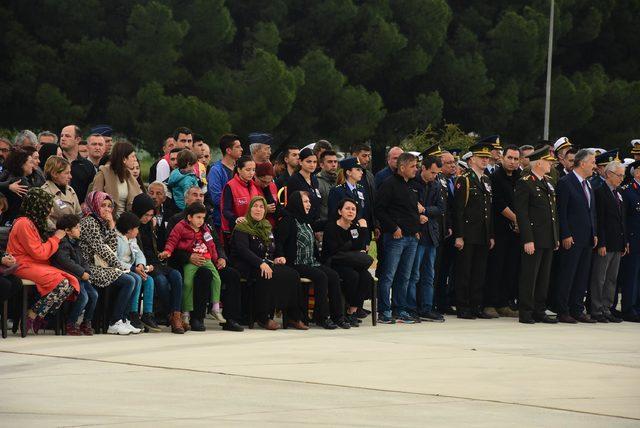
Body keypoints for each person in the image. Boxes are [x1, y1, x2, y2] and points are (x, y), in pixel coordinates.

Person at [166, 186, 244, 332]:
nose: (199, 198)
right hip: (185, 263)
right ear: (186, 199)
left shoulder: (206, 221)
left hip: (208, 259)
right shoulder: (176, 220)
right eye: (194, 195)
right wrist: (189, 257)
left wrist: (221, 257)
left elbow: (215, 242)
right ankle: (197, 317)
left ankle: (230, 318)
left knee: (232, 274)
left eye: (201, 195)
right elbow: (170, 246)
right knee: (204, 274)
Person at [6, 189, 80, 334]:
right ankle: (33, 315)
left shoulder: (34, 222)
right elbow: (39, 252)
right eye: (47, 206)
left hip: (34, 264)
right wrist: (56, 238)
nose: (50, 210)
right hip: (21, 264)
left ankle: (36, 314)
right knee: (62, 283)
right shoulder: (23, 223)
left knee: (69, 282)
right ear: (38, 206)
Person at [230, 196, 307, 330]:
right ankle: (263, 317)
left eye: (262, 207)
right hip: (246, 263)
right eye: (255, 206)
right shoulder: (242, 226)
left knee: (292, 275)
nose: (258, 209)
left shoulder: (266, 226)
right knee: (267, 275)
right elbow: (243, 251)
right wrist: (261, 263)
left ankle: (292, 317)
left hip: (265, 262)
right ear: (250, 208)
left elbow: (271, 248)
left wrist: (277, 258)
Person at [275, 191, 344, 329]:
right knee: (321, 277)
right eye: (305, 201)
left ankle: (338, 316)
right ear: (297, 203)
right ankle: (322, 317)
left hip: (311, 262)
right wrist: (280, 255)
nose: (309, 204)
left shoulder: (306, 221)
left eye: (309, 202)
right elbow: (279, 241)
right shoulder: (288, 220)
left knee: (333, 276)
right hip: (296, 263)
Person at [79, 191, 140, 335]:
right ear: (94, 205)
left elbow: (111, 248)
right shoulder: (89, 221)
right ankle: (114, 321)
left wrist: (112, 224)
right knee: (128, 280)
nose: (107, 209)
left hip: (103, 266)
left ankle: (124, 319)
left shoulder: (103, 222)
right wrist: (119, 266)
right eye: (103, 205)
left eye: (109, 206)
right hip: (89, 266)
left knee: (134, 279)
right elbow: (100, 249)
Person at [514, 146, 560, 324]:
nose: (551, 164)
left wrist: (555, 236)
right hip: (534, 237)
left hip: (548, 237)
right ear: (539, 162)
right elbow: (522, 214)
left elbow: (552, 213)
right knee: (529, 276)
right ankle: (526, 311)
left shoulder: (548, 182)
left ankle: (539, 309)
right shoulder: (525, 182)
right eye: (548, 161)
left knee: (543, 277)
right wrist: (528, 239)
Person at [160, 202, 225, 326]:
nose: (201, 221)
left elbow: (211, 245)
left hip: (206, 258)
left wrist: (216, 259)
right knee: (187, 283)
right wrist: (168, 251)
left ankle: (215, 307)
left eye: (203, 218)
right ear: (190, 217)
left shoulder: (205, 229)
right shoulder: (180, 226)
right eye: (198, 217)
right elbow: (172, 240)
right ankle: (186, 312)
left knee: (217, 279)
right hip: (191, 261)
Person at [375, 152, 421, 323]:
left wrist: (416, 229)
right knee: (389, 275)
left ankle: (399, 309)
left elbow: (411, 210)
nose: (416, 169)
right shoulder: (389, 185)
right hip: (396, 237)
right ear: (402, 168)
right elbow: (379, 209)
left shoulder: (412, 185)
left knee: (405, 276)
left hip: (411, 237)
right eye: (412, 166)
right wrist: (393, 227)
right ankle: (384, 310)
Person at [554, 149, 598, 323]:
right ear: (582, 163)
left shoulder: (588, 184)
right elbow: (561, 211)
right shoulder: (566, 182)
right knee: (567, 274)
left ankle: (577, 309)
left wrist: (594, 232)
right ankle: (563, 310)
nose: (594, 166)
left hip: (586, 237)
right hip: (571, 237)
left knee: (582, 275)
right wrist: (565, 234)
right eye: (592, 162)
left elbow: (591, 211)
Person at [131, 194, 185, 334]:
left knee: (176, 276)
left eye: (150, 215)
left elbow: (155, 245)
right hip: (142, 263)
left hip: (155, 261)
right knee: (160, 281)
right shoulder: (131, 224)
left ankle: (176, 314)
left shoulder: (150, 224)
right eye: (146, 215)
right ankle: (172, 316)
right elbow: (136, 251)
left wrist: (162, 253)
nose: (148, 218)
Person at [453, 142, 495, 319]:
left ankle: (476, 305)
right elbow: (459, 210)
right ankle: (463, 306)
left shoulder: (486, 179)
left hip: (482, 234)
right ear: (472, 160)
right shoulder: (465, 179)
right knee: (465, 271)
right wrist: (459, 235)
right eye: (481, 157)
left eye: (487, 158)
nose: (485, 160)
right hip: (468, 233)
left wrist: (491, 234)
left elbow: (488, 210)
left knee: (479, 272)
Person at [322, 198, 374, 327]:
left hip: (350, 261)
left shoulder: (354, 228)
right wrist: (351, 247)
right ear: (340, 211)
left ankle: (352, 311)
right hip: (334, 262)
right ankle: (343, 310)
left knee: (366, 277)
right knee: (352, 276)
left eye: (353, 209)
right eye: (347, 208)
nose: (351, 212)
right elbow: (334, 249)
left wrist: (363, 229)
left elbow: (359, 245)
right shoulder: (331, 226)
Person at [484, 145, 521, 318]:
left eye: (516, 159)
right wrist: (516, 219)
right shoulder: (495, 177)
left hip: (516, 231)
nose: (512, 162)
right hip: (498, 229)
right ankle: (489, 303)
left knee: (510, 267)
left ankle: (503, 303)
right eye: (510, 158)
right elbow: (498, 203)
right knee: (495, 267)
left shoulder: (520, 177)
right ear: (502, 158)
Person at [407, 154, 445, 322]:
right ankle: (411, 307)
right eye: (432, 172)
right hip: (417, 234)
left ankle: (427, 307)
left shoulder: (436, 185)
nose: (434, 176)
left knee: (429, 275)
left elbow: (440, 209)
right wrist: (418, 213)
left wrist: (424, 211)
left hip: (431, 235)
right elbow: (408, 207)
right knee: (414, 274)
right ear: (423, 168)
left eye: (437, 173)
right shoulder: (412, 184)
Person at [589, 161, 626, 323]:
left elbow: (621, 220)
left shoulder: (618, 193)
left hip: (617, 242)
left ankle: (606, 308)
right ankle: (596, 309)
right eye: (619, 175)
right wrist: (601, 243)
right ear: (609, 174)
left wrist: (625, 241)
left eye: (623, 176)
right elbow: (600, 219)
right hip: (606, 242)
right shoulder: (600, 192)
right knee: (600, 277)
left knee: (612, 278)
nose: (621, 179)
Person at [52, 214, 98, 335]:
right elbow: (66, 262)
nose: (80, 230)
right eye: (77, 227)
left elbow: (83, 260)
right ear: (67, 231)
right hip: (71, 276)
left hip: (80, 276)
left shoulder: (76, 242)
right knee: (84, 297)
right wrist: (82, 272)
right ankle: (71, 323)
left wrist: (86, 270)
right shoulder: (62, 244)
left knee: (94, 295)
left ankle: (86, 322)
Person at [116, 212, 159, 332]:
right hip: (121, 269)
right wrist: (134, 268)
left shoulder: (132, 239)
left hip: (132, 268)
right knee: (137, 278)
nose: (138, 232)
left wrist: (141, 264)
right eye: (136, 229)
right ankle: (133, 312)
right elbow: (115, 260)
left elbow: (139, 253)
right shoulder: (116, 239)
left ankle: (147, 313)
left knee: (148, 279)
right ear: (129, 230)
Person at [90, 141, 142, 218]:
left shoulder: (129, 177)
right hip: (107, 220)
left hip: (127, 222)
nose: (135, 159)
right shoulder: (103, 174)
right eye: (133, 156)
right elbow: (95, 202)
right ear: (124, 159)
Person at [328, 157, 373, 235]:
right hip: (343, 233)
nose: (361, 172)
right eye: (358, 170)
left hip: (360, 232)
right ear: (349, 172)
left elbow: (365, 213)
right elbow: (333, 215)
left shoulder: (361, 189)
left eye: (361, 170)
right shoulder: (337, 191)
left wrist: (366, 237)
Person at [619, 161, 640, 322]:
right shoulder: (627, 191)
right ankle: (628, 308)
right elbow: (624, 219)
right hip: (633, 239)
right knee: (631, 275)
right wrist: (625, 239)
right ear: (637, 172)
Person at [207, 134, 243, 230]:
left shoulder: (241, 168)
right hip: (223, 222)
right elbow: (216, 198)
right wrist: (239, 204)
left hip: (242, 220)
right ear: (228, 150)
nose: (241, 149)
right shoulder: (216, 170)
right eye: (238, 147)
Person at [286, 148, 323, 232]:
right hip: (300, 226)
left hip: (314, 224)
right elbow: (292, 207)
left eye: (314, 162)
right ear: (300, 162)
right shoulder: (294, 180)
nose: (312, 165)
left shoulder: (314, 179)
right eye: (309, 161)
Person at [41, 156, 82, 231]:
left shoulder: (70, 189)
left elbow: (78, 214)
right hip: (55, 237)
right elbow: (45, 220)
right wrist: (58, 232)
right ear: (54, 174)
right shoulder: (44, 193)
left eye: (70, 172)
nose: (70, 176)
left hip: (73, 234)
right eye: (67, 173)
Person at [221, 156, 260, 235]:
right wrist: (236, 219)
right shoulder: (231, 186)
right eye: (248, 170)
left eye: (253, 170)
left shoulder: (254, 185)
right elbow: (226, 211)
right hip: (237, 229)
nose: (251, 173)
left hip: (254, 228)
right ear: (239, 170)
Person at [0, 147, 39, 224]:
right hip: (15, 223)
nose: (33, 164)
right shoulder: (20, 181)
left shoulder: (10, 176)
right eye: (30, 162)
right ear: (22, 164)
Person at [60, 124, 96, 203]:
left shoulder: (88, 165)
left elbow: (91, 192)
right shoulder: (54, 161)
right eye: (61, 136)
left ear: (77, 139)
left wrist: (85, 204)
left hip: (80, 210)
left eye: (67, 136)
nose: (63, 138)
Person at [146, 181, 178, 250]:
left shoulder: (171, 215)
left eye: (158, 193)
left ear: (164, 198)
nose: (154, 197)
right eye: (151, 193)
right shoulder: (142, 215)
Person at [316, 150, 339, 225]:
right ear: (322, 165)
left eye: (335, 162)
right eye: (330, 162)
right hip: (323, 225)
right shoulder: (316, 182)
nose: (333, 164)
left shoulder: (340, 180)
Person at [254, 162, 280, 227]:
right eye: (263, 181)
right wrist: (265, 209)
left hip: (271, 224)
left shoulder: (272, 185)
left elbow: (277, 203)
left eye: (269, 182)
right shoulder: (251, 187)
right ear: (255, 176)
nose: (265, 185)